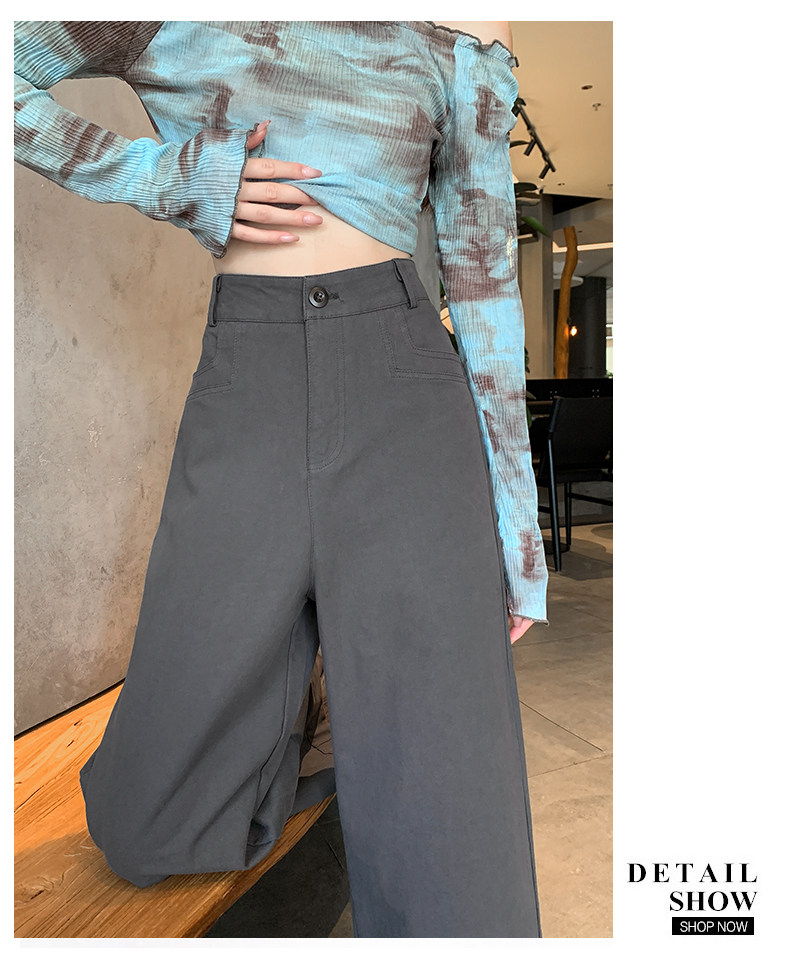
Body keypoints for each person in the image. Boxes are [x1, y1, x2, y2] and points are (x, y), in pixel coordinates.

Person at [14, 20, 549, 937]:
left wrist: (518, 527)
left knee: (459, 870)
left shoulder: (462, 22)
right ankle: (323, 717)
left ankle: (390, 744)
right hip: (246, 376)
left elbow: (484, 268)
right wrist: (167, 178)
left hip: (404, 391)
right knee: (148, 825)